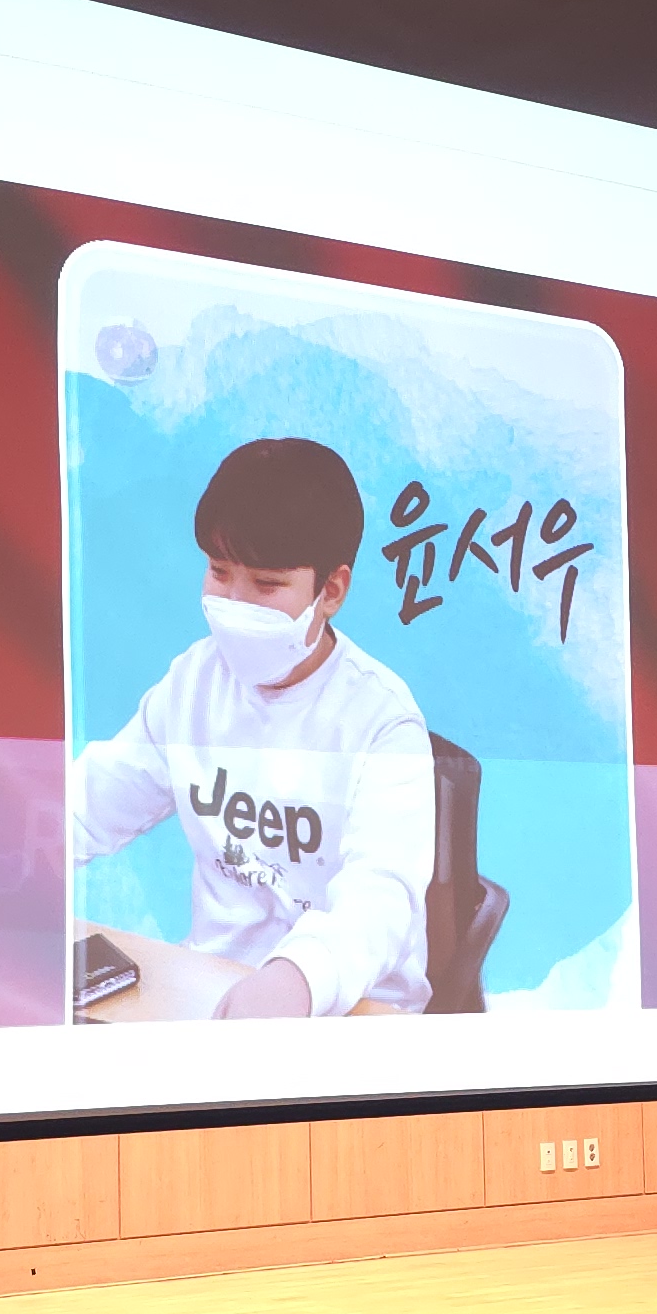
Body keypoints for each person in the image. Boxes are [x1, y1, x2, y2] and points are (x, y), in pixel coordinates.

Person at [72, 435, 437, 1017]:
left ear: (330, 591)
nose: (236, 602)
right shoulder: (193, 682)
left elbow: (381, 897)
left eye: (266, 584)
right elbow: (91, 801)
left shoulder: (383, 721)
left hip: (352, 1010)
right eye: (220, 572)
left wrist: (299, 979)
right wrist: (5, 845)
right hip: (212, 989)